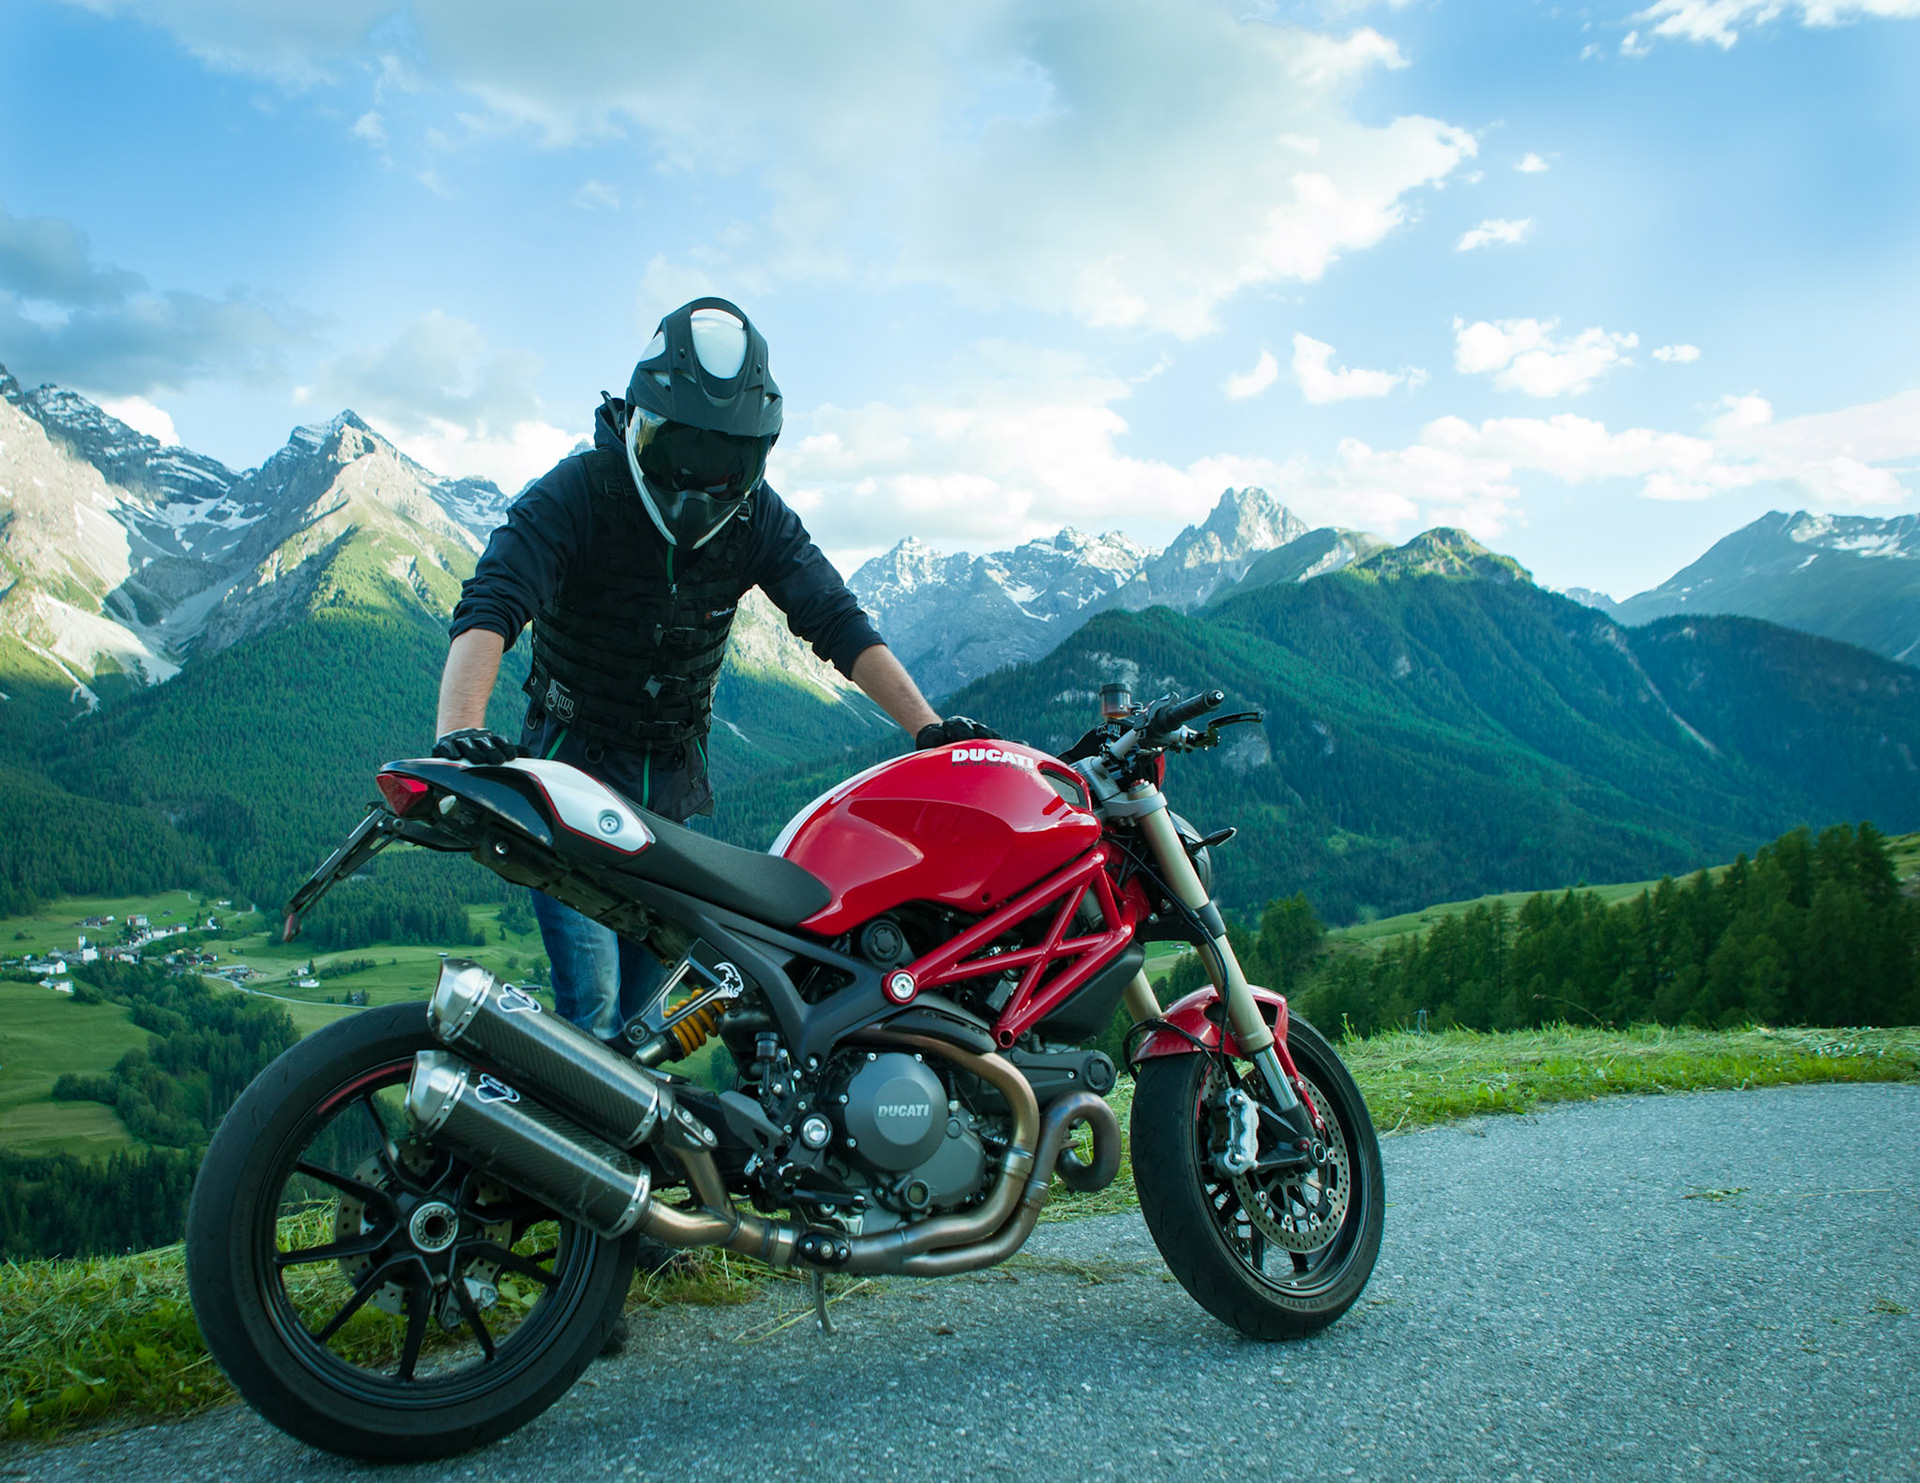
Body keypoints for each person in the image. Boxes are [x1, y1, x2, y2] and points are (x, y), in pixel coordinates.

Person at [433, 297, 994, 1042]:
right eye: (680, 452)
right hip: (567, 780)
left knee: (641, 1015)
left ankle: (612, 1148)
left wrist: (928, 727)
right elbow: (492, 606)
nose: (699, 483)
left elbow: (835, 619)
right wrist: (458, 732)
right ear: (639, 423)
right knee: (594, 1007)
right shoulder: (578, 493)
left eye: (728, 463)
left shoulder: (758, 517)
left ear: (757, 456)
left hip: (669, 797)